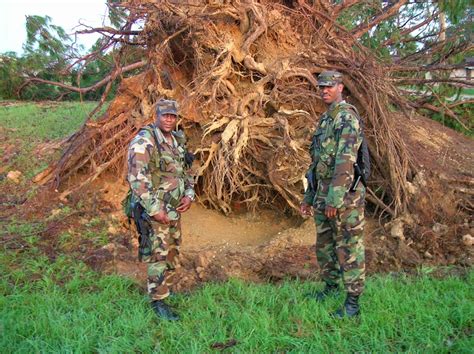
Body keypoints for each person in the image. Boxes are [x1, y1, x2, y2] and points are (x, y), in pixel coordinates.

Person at [300, 70, 366, 318]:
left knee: (348, 247)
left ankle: (352, 302)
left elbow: (344, 163)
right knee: (325, 246)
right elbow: (317, 163)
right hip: (323, 195)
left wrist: (334, 200)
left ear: (341, 87)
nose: (324, 90)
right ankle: (330, 287)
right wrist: (310, 196)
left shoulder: (346, 118)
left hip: (344, 198)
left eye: (329, 86)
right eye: (321, 87)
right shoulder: (326, 120)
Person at [127, 98, 195, 321]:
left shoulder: (176, 139)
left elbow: (185, 170)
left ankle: (165, 289)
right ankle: (158, 301)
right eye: (165, 115)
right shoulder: (145, 140)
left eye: (172, 116)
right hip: (156, 210)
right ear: (156, 116)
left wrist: (189, 194)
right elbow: (137, 179)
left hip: (174, 208)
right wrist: (155, 209)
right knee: (158, 254)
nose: (169, 119)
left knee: (172, 251)